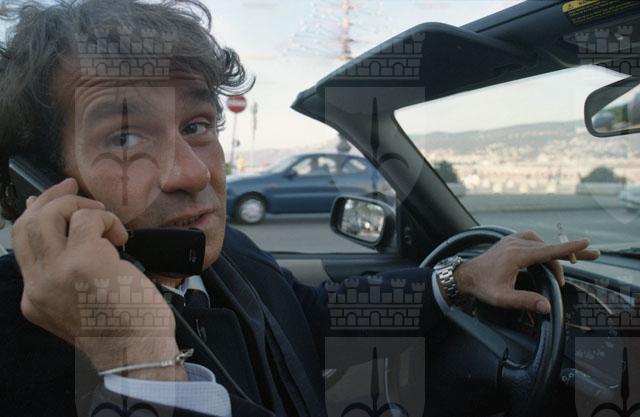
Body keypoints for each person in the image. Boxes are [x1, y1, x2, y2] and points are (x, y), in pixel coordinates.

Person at [0, 1, 600, 416]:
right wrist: (134, 363)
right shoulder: (19, 339)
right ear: (43, 181)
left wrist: (459, 278)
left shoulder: (225, 254)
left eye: (197, 125)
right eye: (126, 137)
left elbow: (314, 314)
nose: (192, 173)